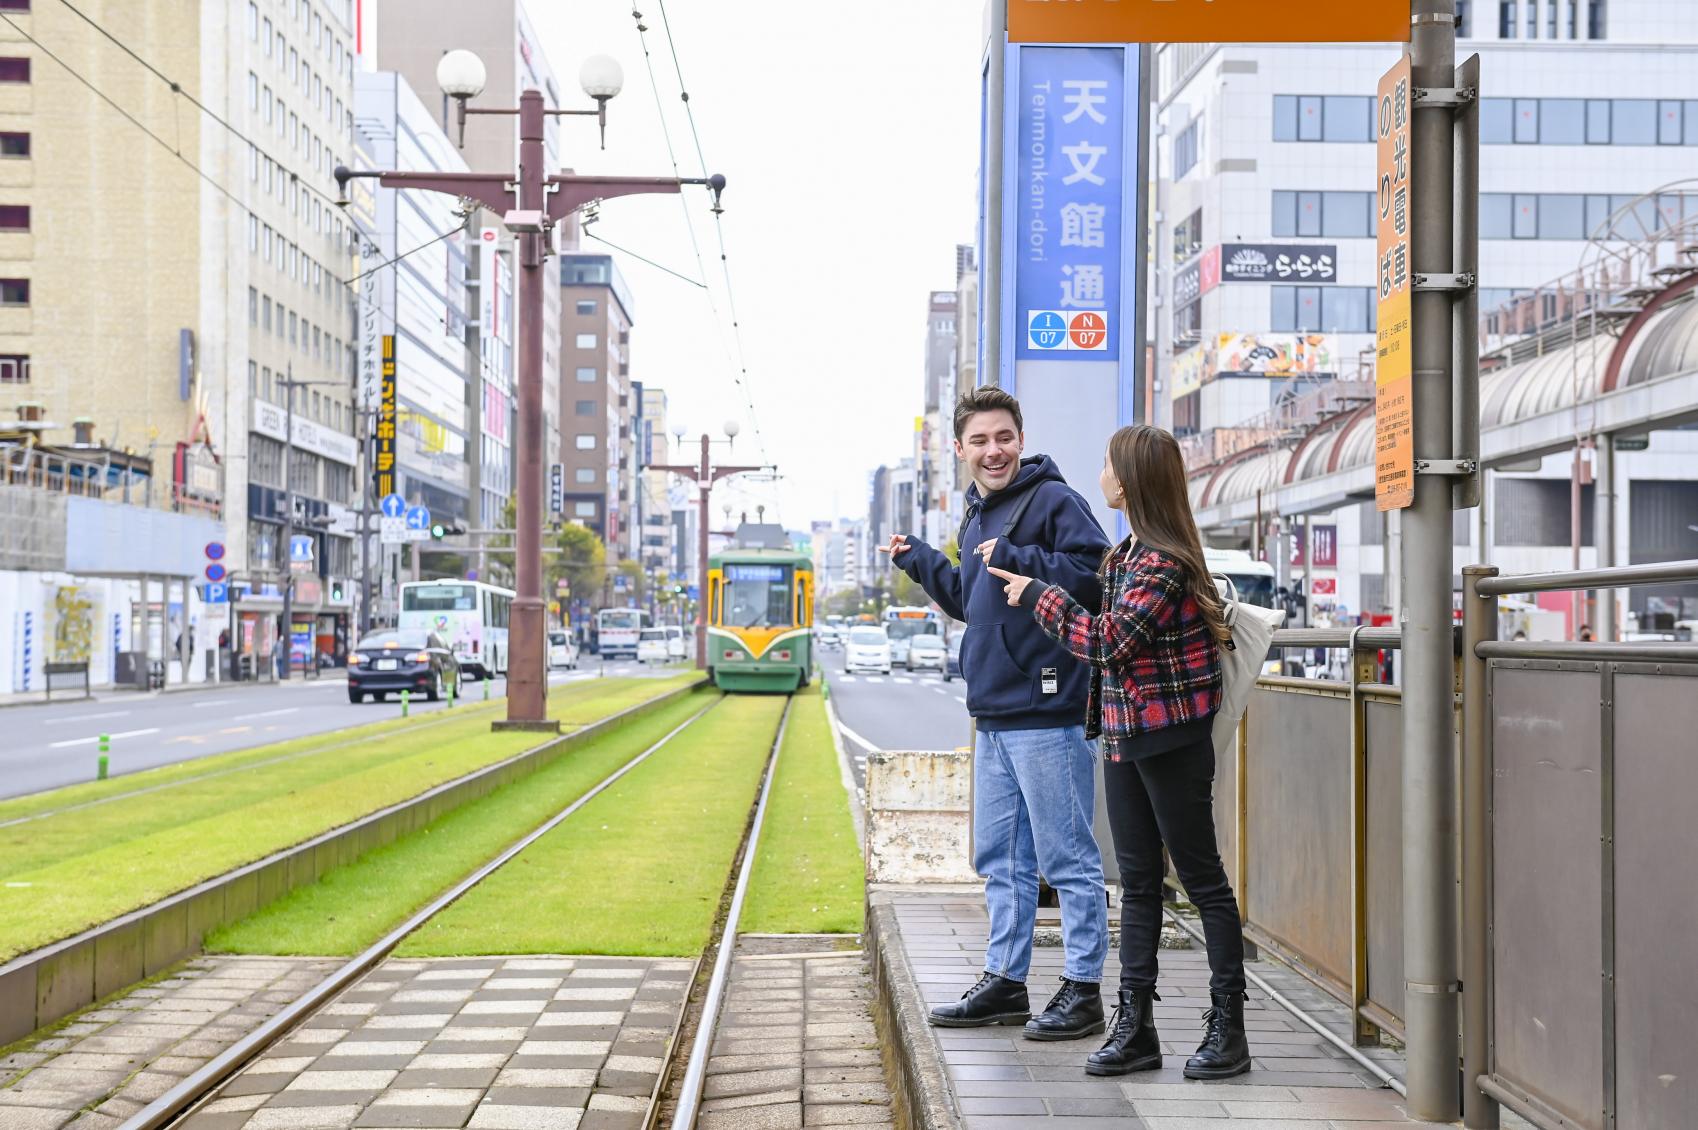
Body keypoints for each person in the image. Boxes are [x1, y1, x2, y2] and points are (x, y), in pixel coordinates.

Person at [986, 423, 1251, 1080]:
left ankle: (1229, 1028)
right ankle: (1135, 1028)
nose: (1099, 472)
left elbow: (1107, 643)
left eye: (1106, 462)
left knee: (1203, 882)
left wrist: (1039, 595)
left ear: (1129, 480)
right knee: (1135, 883)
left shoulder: (1162, 562)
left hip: (1174, 739)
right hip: (1126, 735)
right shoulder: (1124, 554)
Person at [882, 387, 1112, 1042]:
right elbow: (969, 596)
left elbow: (1093, 574)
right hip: (994, 711)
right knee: (1001, 858)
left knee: (1066, 855)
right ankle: (1006, 982)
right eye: (979, 441)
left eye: (1003, 437)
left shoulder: (1054, 500)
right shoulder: (978, 516)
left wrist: (1023, 558)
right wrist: (921, 560)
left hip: (1047, 703)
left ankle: (1084, 988)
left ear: (1021, 437)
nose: (993, 451)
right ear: (960, 450)